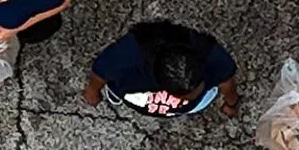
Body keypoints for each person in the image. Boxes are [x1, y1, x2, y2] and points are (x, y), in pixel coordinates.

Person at [84, 20, 239, 117]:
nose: (189, 97)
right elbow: (100, 73)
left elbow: (228, 84)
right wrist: (93, 92)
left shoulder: (213, 57)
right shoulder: (127, 54)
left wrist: (231, 103)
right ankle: (115, 92)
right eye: (184, 97)